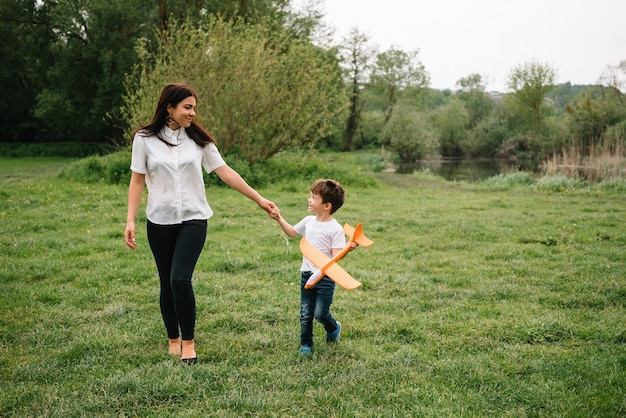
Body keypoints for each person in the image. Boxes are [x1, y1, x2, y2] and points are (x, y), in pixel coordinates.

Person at [124, 83, 278, 365]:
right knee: (166, 283)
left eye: (194, 107)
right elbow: (137, 179)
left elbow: (225, 172)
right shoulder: (144, 139)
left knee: (180, 279)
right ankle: (172, 337)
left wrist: (260, 199)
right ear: (169, 107)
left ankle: (188, 343)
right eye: (187, 107)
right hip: (159, 219)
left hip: (194, 218)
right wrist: (130, 220)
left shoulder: (198, 139)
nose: (193, 112)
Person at [273, 179, 355, 355]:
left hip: (326, 277)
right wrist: (279, 218)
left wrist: (348, 248)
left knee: (320, 313)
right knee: (305, 312)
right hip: (306, 274)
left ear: (326, 206)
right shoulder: (308, 221)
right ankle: (306, 344)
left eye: (313, 197)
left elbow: (336, 256)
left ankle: (333, 327)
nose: (309, 200)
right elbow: (292, 233)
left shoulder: (335, 229)